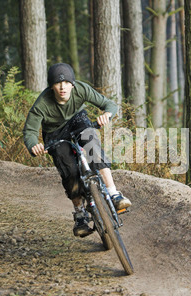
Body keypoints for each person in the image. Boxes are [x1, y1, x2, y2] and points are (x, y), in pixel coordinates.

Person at [23, 63, 131, 237]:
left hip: (77, 120)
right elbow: (30, 131)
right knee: (69, 170)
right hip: (54, 131)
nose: (62, 87)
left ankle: (114, 194)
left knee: (91, 144)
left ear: (72, 84)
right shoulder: (42, 104)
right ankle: (80, 213)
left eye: (66, 82)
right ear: (51, 86)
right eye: (58, 83)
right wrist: (33, 145)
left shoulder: (81, 89)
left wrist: (106, 115)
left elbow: (109, 105)